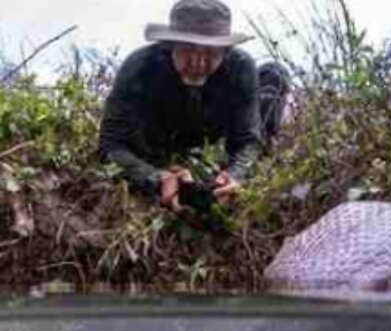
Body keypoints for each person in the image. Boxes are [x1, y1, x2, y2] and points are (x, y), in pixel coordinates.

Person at [97, 0, 289, 213]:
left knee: (275, 73)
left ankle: (257, 164)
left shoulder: (240, 68)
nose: (198, 63)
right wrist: (155, 176)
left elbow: (248, 140)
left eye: (210, 52)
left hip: (212, 130)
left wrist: (235, 174)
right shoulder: (140, 66)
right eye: (187, 49)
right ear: (170, 46)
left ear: (225, 51)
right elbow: (110, 144)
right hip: (157, 139)